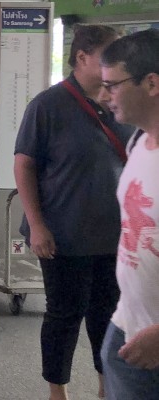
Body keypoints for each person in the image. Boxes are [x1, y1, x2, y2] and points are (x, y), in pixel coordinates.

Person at [13, 24, 130, 400]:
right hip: (63, 235)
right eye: (109, 55)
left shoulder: (122, 103)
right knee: (65, 315)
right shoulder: (48, 106)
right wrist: (37, 225)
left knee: (107, 316)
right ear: (81, 58)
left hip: (114, 237)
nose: (119, 64)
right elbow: (24, 165)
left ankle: (104, 383)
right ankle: (57, 389)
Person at [97, 29, 159, 398]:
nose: (104, 96)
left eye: (113, 85)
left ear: (151, 83)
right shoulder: (138, 140)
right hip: (128, 326)